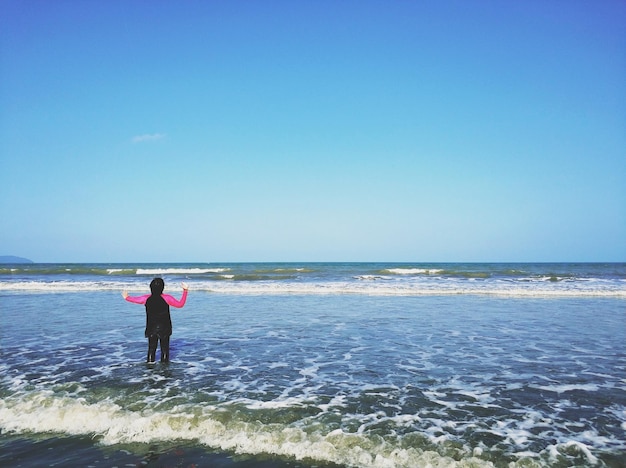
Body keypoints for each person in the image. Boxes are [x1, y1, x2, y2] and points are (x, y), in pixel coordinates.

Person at [123, 278, 189, 363]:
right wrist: (185, 290)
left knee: (151, 349)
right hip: (165, 328)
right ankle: (165, 371)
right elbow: (180, 304)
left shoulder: (146, 298)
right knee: (165, 350)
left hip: (151, 328)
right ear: (162, 288)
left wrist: (127, 297)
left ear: (151, 287)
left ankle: (150, 371)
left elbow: (135, 299)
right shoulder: (167, 298)